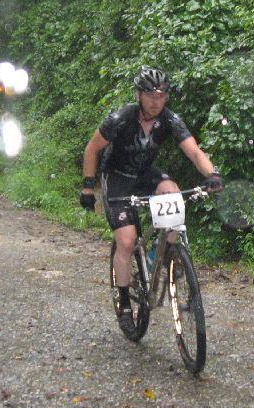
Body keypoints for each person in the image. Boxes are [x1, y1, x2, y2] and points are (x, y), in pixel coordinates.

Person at [80, 67, 224, 323]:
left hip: (146, 174)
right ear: (139, 95)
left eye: (161, 95)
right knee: (126, 242)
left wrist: (212, 174)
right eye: (150, 95)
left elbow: (194, 152)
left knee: (175, 196)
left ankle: (160, 255)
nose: (156, 101)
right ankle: (125, 303)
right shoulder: (121, 118)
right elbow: (92, 149)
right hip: (117, 178)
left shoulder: (169, 119)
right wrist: (88, 188)